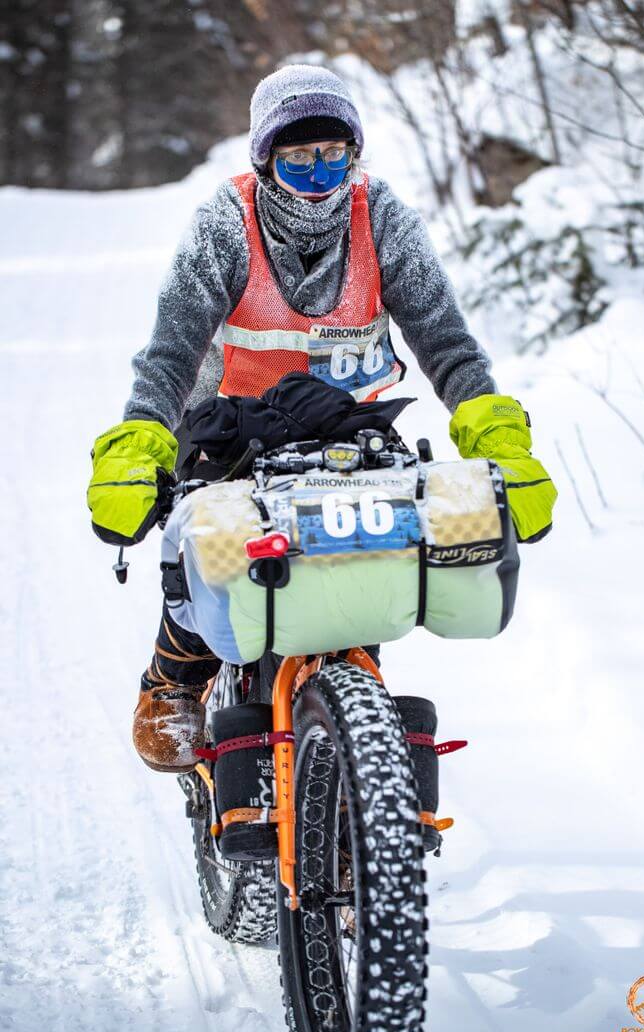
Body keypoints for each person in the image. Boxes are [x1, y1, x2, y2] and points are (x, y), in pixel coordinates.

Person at [87, 64, 557, 773]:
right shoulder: (225, 224)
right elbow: (168, 354)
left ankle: (350, 733)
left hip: (348, 429)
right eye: (297, 156)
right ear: (265, 159)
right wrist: (136, 447)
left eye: (333, 152)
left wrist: (501, 442)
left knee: (376, 564)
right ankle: (173, 678)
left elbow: (448, 343)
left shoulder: (382, 219)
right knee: (205, 558)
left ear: (354, 151)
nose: (318, 172)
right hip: (228, 428)